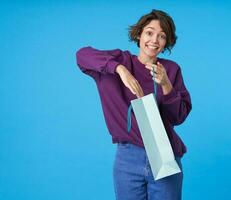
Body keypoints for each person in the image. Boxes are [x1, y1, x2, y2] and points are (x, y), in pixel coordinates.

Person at [76, 9, 192, 200]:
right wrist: (119, 69)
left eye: (162, 36)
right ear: (139, 34)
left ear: (166, 43)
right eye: (149, 32)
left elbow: (178, 117)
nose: (154, 40)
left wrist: (166, 85)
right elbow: (82, 55)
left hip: (165, 155)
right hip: (128, 158)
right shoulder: (119, 61)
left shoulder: (171, 70)